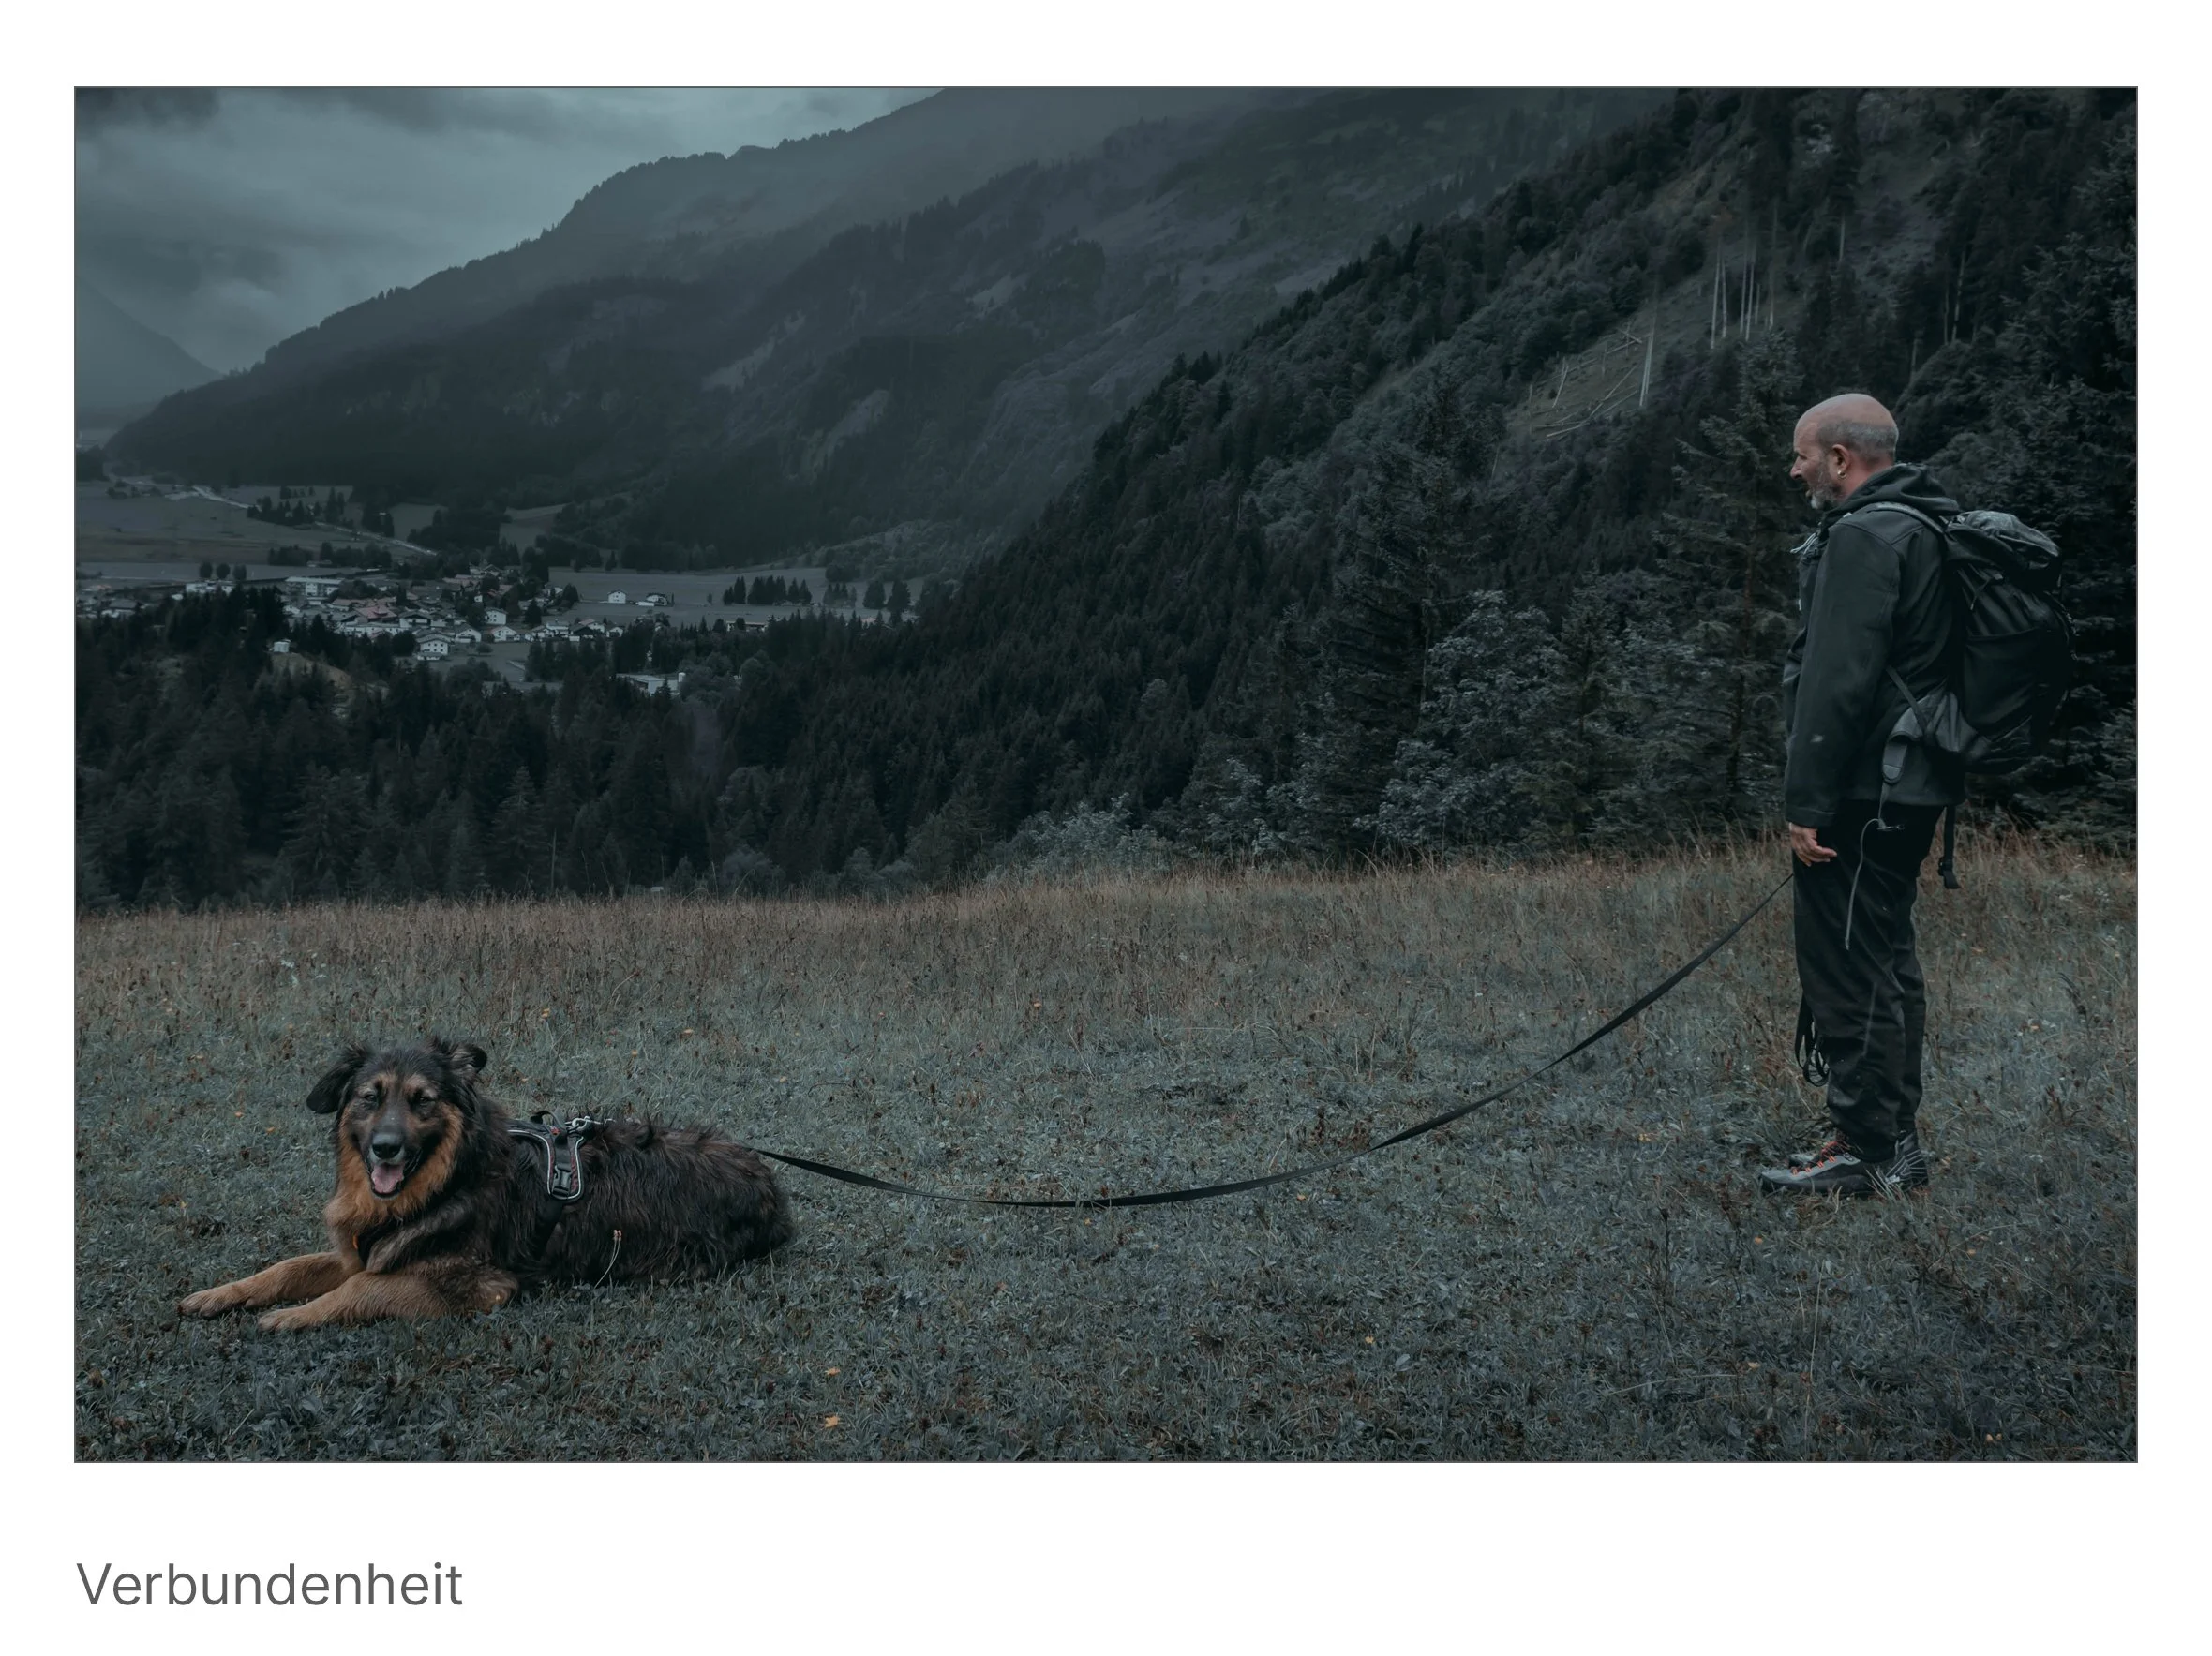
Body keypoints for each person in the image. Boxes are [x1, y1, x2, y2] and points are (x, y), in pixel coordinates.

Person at [1757, 393, 1963, 1198]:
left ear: (1841, 458)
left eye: (1803, 453)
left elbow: (1835, 682)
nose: (1796, 467)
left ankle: (1868, 1147)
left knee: (1847, 965)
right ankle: (1893, 1142)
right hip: (1908, 784)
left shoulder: (1864, 536)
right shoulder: (1924, 521)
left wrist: (1806, 801)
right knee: (1885, 957)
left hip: (1860, 794)